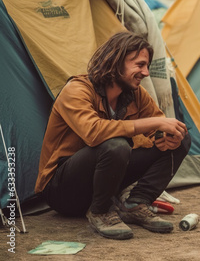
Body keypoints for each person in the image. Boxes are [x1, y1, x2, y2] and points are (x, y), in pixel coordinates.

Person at [35, 31, 190, 240]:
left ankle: (135, 203)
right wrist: (156, 122)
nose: (146, 73)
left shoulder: (136, 94)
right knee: (115, 144)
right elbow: (93, 132)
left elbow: (158, 128)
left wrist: (168, 137)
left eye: (147, 66)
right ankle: (100, 211)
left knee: (181, 135)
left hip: (105, 182)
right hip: (63, 191)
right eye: (140, 65)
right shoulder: (77, 90)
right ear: (116, 63)